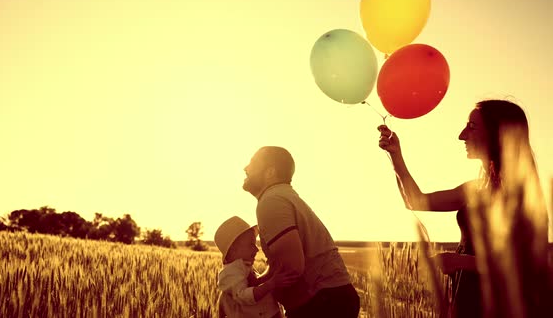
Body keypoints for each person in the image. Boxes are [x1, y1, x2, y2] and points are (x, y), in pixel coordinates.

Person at [377, 99, 550, 318]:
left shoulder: (521, 193)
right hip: (466, 299)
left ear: (497, 133)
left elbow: (522, 264)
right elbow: (415, 201)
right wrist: (396, 154)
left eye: (472, 126)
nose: (462, 135)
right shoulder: (476, 188)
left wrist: (459, 261)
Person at [242, 146, 360, 317]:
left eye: (252, 163)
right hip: (331, 298)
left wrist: (256, 292)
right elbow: (283, 263)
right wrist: (255, 284)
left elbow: (292, 267)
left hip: (320, 304)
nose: (245, 168)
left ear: (270, 172)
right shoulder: (284, 196)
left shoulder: (271, 201)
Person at [214, 215, 292, 318]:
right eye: (251, 244)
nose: (256, 249)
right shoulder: (231, 273)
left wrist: (269, 273)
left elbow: (253, 283)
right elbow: (244, 296)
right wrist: (271, 283)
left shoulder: (242, 266)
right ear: (233, 250)